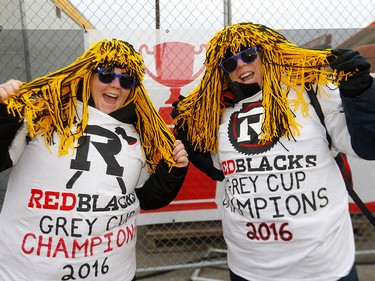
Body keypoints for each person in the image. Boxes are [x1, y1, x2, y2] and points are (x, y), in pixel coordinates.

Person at [172, 22, 375, 281]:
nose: (241, 65)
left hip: (324, 267)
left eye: (248, 55)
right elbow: (219, 169)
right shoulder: (220, 114)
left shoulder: (312, 93)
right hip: (251, 269)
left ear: (267, 52)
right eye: (229, 63)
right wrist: (188, 138)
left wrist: (360, 92)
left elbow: (368, 145)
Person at [0, 39, 189, 281]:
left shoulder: (137, 133)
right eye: (107, 74)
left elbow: (147, 198)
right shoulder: (43, 115)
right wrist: (4, 115)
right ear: (87, 74)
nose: (116, 85)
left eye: (127, 80)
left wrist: (173, 170)